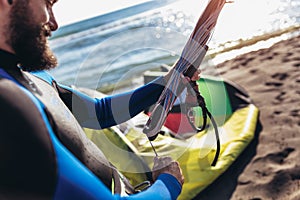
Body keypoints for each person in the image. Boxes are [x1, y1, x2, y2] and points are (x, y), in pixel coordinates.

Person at [0, 0, 185, 199]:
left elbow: (99, 113)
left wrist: (167, 82)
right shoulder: (6, 103)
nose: (53, 24)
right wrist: (169, 183)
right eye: (47, 3)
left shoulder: (29, 76)